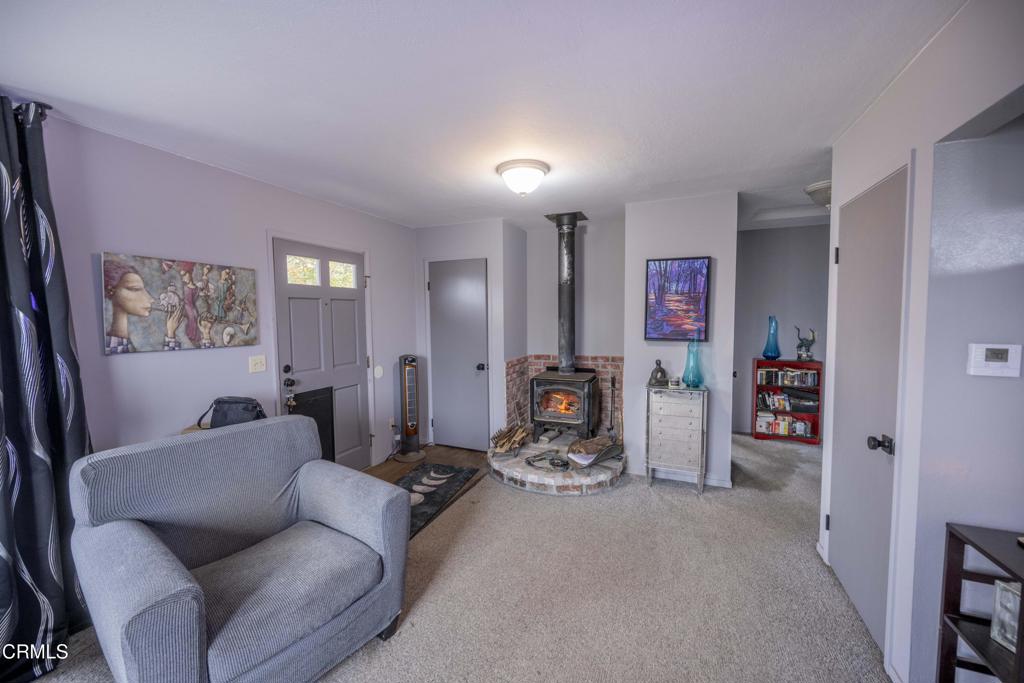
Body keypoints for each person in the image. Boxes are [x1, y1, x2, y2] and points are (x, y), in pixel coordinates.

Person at [103, 259, 153, 353]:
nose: (150, 299)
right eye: (135, 289)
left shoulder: (123, 344)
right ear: (111, 290)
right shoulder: (110, 346)